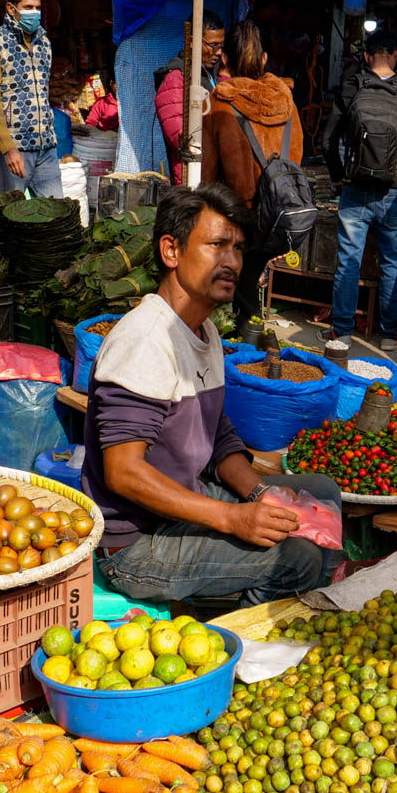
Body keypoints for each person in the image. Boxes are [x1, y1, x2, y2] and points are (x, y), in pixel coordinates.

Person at [82, 183, 339, 607]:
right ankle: (240, 635)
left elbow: (216, 435)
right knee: (298, 559)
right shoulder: (145, 340)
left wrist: (258, 494)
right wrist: (231, 518)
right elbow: (123, 472)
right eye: (216, 245)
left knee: (322, 493)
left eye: (237, 249)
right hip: (138, 545)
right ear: (171, 251)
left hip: (186, 501)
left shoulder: (205, 332)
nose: (232, 262)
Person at [319, 29, 397, 350]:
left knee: (349, 261)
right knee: (392, 263)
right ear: (395, 54)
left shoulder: (351, 86)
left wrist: (339, 176)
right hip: (395, 192)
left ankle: (341, 331)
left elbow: (327, 140)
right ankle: (390, 334)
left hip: (355, 188)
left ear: (366, 56)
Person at [201, 20, 304, 330]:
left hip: (237, 217)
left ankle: (234, 357)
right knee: (247, 294)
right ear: (263, 60)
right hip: (276, 214)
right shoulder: (287, 100)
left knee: (227, 299)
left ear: (226, 60)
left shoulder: (218, 104)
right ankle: (249, 346)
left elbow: (206, 175)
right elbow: (295, 159)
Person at [0, 0, 61, 198]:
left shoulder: (44, 42)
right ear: (11, 8)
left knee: (56, 216)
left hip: (46, 146)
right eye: (28, 7)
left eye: (37, 8)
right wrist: (8, 148)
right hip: (14, 148)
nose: (34, 13)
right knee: (12, 215)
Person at [155, 11, 225, 185]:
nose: (218, 53)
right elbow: (179, 135)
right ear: (192, 41)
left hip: (218, 175)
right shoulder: (176, 78)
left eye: (221, 46)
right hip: (192, 176)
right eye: (213, 45)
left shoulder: (215, 76)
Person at [86, 67, 119, 132]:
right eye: (118, 84)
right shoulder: (102, 103)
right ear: (111, 83)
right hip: (106, 137)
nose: (120, 88)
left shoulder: (131, 103)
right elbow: (91, 122)